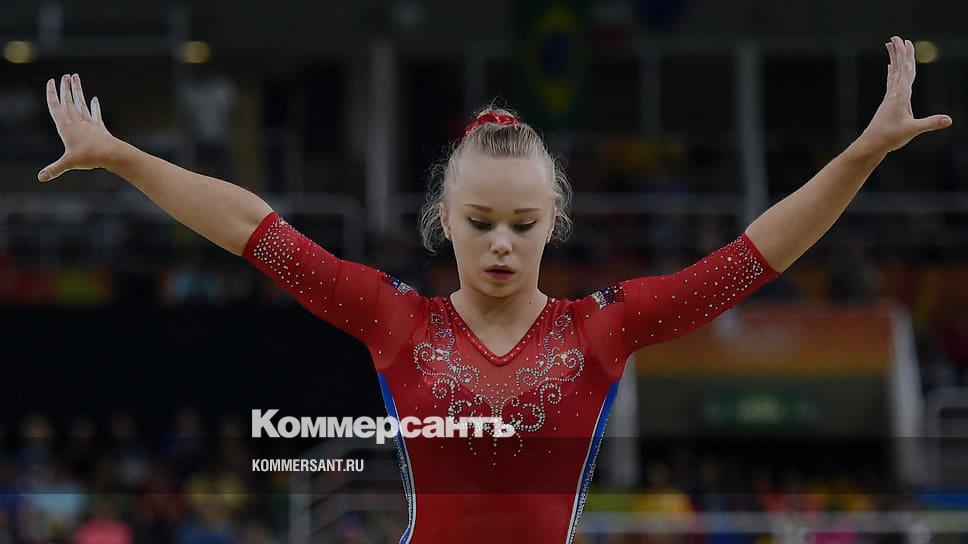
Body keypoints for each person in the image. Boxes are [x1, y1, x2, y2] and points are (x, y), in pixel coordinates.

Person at [38, 36, 949, 543]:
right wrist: (124, 157)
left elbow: (754, 257)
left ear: (555, 220)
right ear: (444, 218)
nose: (502, 244)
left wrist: (862, 152)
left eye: (522, 222)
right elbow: (254, 230)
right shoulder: (397, 319)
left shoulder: (602, 329)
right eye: (479, 222)